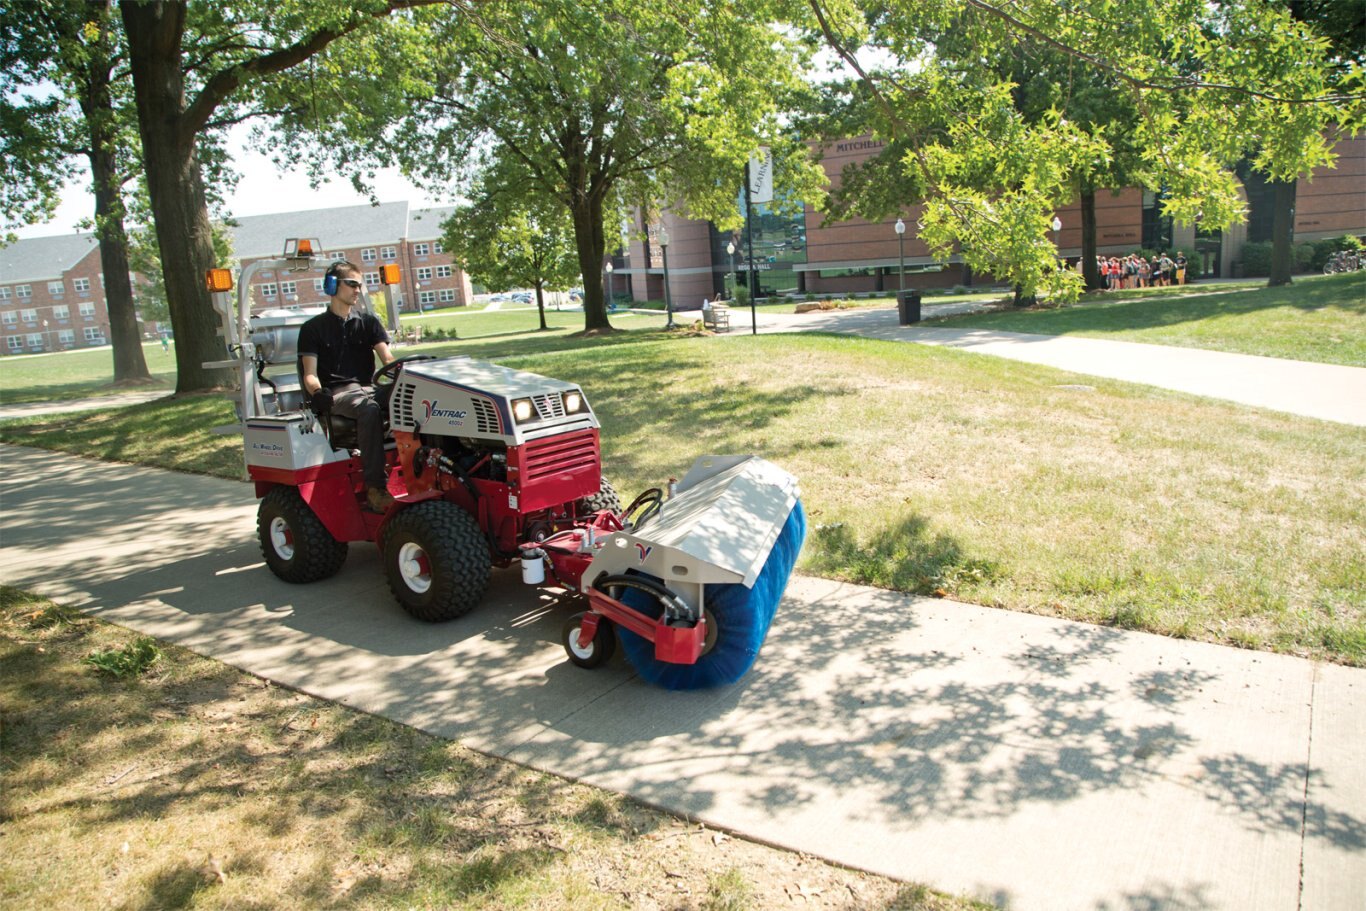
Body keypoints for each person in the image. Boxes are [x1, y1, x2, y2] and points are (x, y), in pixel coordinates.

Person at [298, 260, 397, 512]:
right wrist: (318, 393)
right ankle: (376, 488)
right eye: (351, 284)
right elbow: (310, 374)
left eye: (359, 285)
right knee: (369, 409)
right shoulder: (312, 329)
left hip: (370, 388)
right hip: (340, 395)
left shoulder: (369, 323)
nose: (357, 290)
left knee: (413, 397)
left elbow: (389, 361)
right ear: (332, 285)